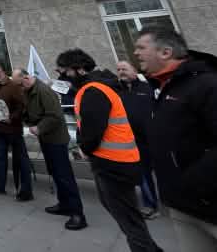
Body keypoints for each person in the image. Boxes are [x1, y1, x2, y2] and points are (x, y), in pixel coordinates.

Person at [57, 48, 161, 252]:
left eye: (65, 71)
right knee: (128, 216)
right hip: (117, 161)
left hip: (112, 164)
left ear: (79, 70)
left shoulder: (93, 91)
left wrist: (83, 148)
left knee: (129, 219)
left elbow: (92, 130)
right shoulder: (101, 86)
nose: (63, 76)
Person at [135, 28, 217, 251]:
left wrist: (191, 182)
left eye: (141, 47)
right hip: (181, 205)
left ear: (166, 52)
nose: (136, 53)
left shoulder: (206, 84)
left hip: (208, 204)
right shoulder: (160, 86)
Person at [20, 69, 87, 230]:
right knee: (55, 173)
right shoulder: (30, 91)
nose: (20, 88)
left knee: (64, 176)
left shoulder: (44, 91)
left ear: (27, 78)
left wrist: (39, 128)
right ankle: (64, 204)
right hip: (47, 139)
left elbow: (54, 115)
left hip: (56, 139)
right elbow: (32, 113)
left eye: (20, 83)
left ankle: (78, 214)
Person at [116, 60, 158, 219]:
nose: (121, 71)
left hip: (155, 138)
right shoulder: (118, 91)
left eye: (124, 68)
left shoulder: (148, 87)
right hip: (134, 140)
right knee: (144, 175)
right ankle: (150, 205)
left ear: (134, 70)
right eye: (118, 69)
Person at [0, 63, 33, 201]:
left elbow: (22, 107)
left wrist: (11, 118)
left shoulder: (13, 86)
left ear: (0, 68)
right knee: (0, 158)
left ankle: (26, 191)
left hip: (13, 129)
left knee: (21, 160)